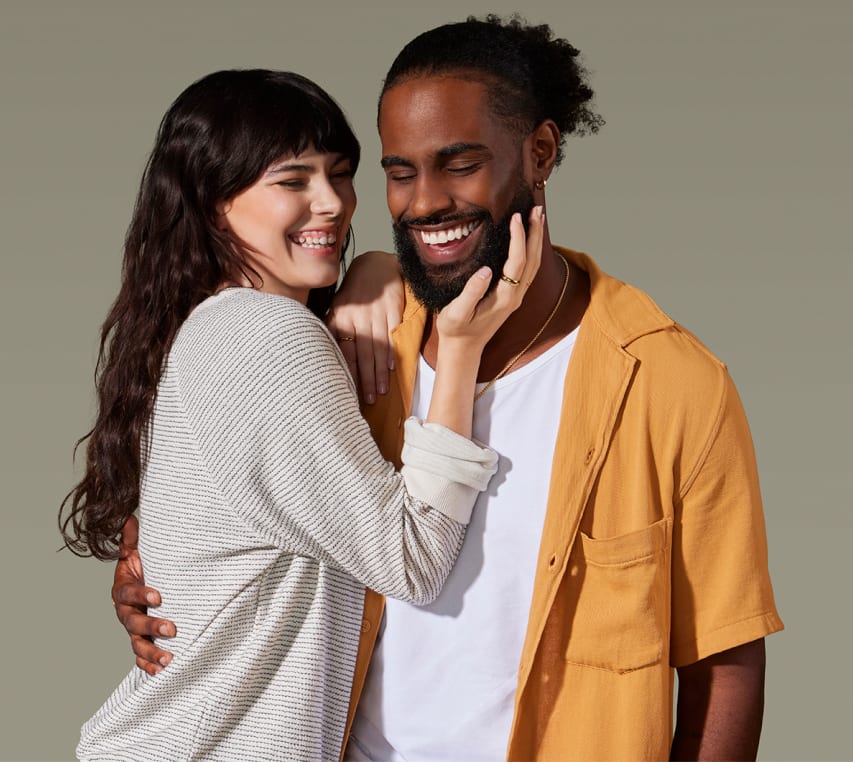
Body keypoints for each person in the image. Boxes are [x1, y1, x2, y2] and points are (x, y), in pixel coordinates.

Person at [112, 16, 784, 761]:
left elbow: (724, 658)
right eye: (400, 172)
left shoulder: (669, 384)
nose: (424, 201)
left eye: (458, 164)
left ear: (539, 153)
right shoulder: (354, 346)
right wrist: (152, 570)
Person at [59, 68, 544, 760]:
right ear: (213, 201)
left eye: (340, 175)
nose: (332, 204)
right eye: (292, 182)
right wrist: (463, 348)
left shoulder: (217, 331)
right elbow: (410, 559)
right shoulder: (262, 338)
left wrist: (379, 266)